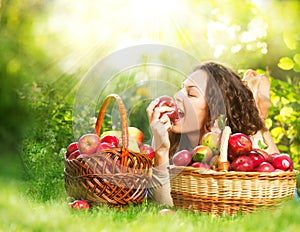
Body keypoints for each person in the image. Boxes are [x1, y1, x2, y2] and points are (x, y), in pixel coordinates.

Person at [146, 61, 279, 206]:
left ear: (214, 110)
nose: (177, 96)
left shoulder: (244, 145)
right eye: (181, 89)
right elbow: (162, 207)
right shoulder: (168, 139)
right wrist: (160, 151)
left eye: (191, 94)